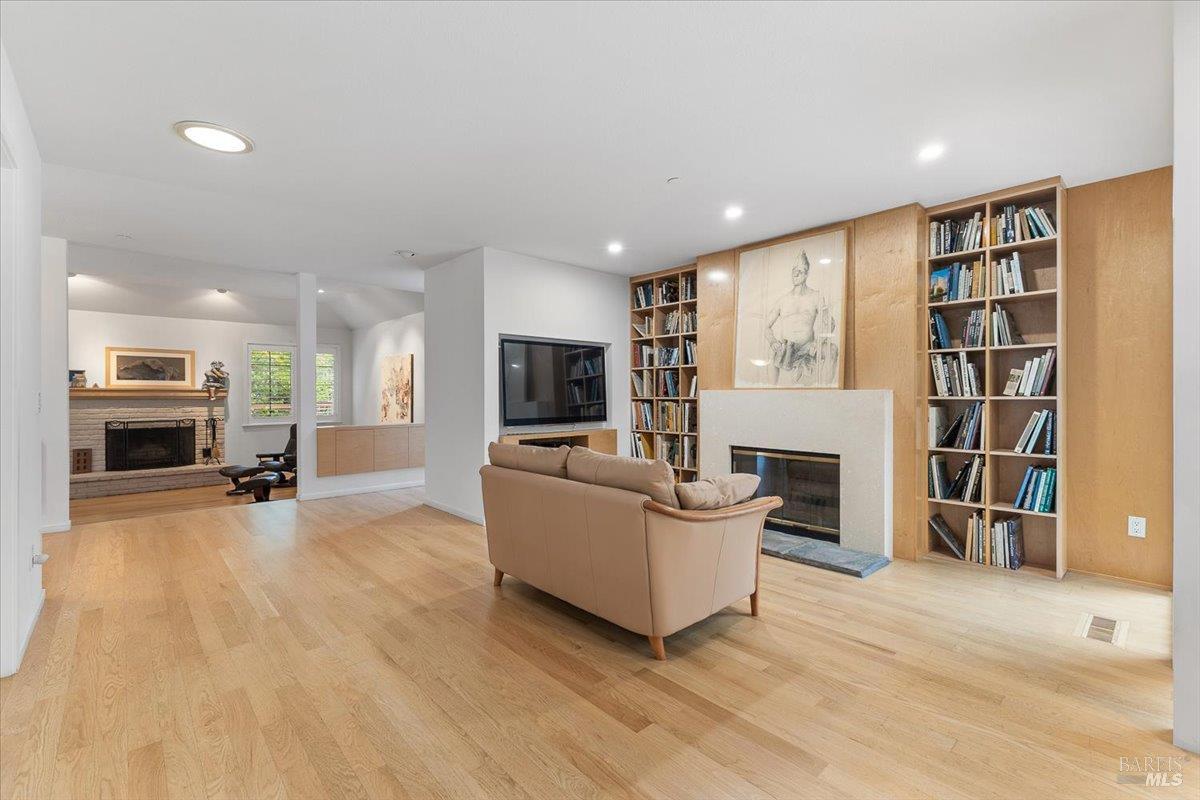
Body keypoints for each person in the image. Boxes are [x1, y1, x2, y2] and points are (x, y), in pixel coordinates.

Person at [763, 249, 838, 385]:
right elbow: (766, 326)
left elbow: (830, 323)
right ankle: (770, 390)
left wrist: (818, 342)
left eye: (800, 270)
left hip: (809, 345)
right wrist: (773, 342)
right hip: (787, 348)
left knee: (832, 349)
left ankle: (827, 390)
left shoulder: (816, 296)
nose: (795, 273)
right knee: (771, 352)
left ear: (807, 273)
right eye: (793, 270)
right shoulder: (782, 300)